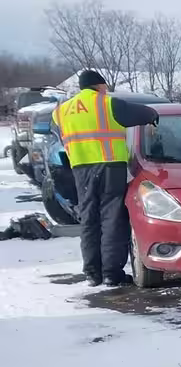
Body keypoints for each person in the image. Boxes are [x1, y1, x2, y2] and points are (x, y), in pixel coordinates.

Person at [51, 70, 159, 286]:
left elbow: (57, 130)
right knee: (111, 217)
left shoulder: (61, 111)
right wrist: (153, 116)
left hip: (80, 169)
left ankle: (92, 273)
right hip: (110, 165)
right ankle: (111, 273)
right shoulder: (107, 104)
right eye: (104, 85)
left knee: (89, 218)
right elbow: (145, 113)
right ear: (98, 86)